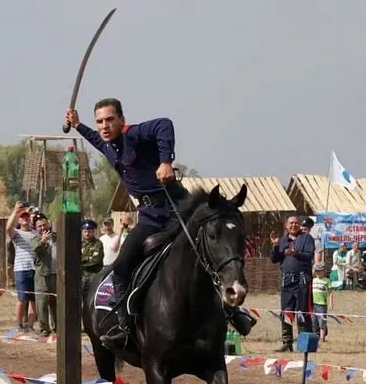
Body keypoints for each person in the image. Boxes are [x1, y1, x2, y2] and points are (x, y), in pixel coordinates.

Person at [66, 99, 254, 349]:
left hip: (180, 208)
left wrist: (165, 161)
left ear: (121, 120)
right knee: (121, 266)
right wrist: (78, 125)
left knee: (206, 255)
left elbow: (164, 125)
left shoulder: (133, 133)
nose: (104, 125)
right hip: (150, 217)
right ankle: (123, 328)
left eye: (109, 119)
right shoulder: (109, 147)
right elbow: (96, 140)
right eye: (99, 121)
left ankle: (233, 313)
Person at [270, 215, 316, 351]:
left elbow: (309, 256)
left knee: (303, 312)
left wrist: (296, 253)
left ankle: (304, 345)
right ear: (286, 225)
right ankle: (287, 343)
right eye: (291, 223)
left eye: (296, 223)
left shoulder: (307, 238)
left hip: (302, 280)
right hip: (287, 281)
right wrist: (275, 245)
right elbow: (274, 259)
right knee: (286, 312)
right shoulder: (283, 240)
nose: (293, 225)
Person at [6, 201, 38, 332]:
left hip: (35, 269)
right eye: (22, 217)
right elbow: (8, 228)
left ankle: (30, 325)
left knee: (34, 299)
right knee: (22, 298)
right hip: (21, 269)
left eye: (27, 216)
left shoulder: (36, 233)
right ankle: (19, 324)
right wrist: (15, 211)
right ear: (19, 219)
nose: (25, 218)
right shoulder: (16, 233)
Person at [31, 213, 58, 336]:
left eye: (44, 225)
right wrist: (43, 241)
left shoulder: (57, 237)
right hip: (42, 275)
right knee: (42, 303)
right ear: (36, 228)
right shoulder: (36, 239)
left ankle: (58, 326)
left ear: (48, 224)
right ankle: (44, 328)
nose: (42, 228)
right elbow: (36, 248)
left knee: (56, 302)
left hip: (57, 274)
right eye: (39, 226)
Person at [311, 262, 333, 341]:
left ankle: (322, 338)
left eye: (320, 271)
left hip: (322, 304)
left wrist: (331, 303)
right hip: (313, 304)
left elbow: (330, 293)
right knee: (314, 321)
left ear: (323, 271)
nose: (318, 273)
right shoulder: (313, 280)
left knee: (322, 321)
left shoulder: (327, 281)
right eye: (316, 271)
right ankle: (315, 336)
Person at [80, 219, 104, 288]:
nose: (87, 234)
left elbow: (95, 260)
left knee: (91, 295)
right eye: (85, 231)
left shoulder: (97, 244)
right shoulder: (80, 244)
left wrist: (82, 263)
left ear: (93, 232)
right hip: (82, 275)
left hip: (93, 274)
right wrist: (88, 258)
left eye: (89, 231)